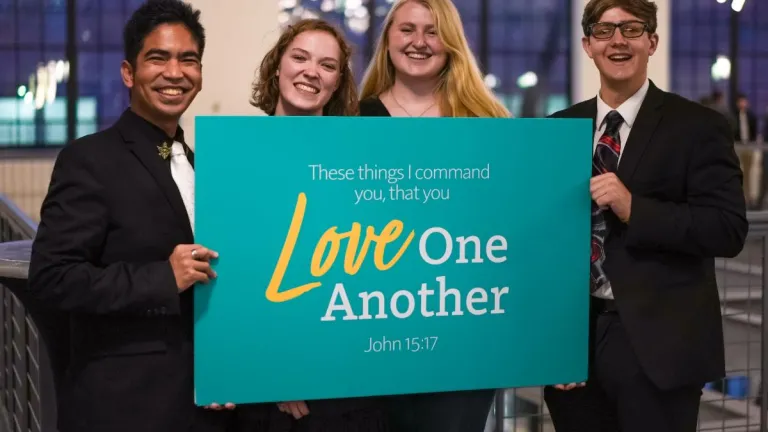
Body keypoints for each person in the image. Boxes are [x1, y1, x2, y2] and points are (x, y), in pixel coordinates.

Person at [27, 1, 236, 431]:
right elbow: (52, 279)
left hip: (201, 406)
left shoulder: (202, 165)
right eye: (157, 58)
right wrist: (162, 278)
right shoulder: (88, 159)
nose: (175, 72)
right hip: (124, 407)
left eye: (188, 60)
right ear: (128, 72)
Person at [543, 0, 748, 431]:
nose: (617, 40)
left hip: (660, 349)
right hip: (573, 345)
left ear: (652, 42)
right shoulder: (558, 129)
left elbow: (727, 229)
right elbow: (542, 243)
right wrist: (551, 343)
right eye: (604, 31)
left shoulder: (698, 126)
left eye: (632, 29)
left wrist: (636, 209)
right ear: (587, 45)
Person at [358, 1, 508, 431]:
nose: (419, 42)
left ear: (452, 44)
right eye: (407, 29)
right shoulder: (353, 120)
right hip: (375, 328)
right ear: (387, 39)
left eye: (432, 31)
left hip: (464, 334)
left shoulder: (487, 123)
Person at [247, 18, 386, 432]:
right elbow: (237, 273)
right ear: (277, 65)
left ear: (338, 81)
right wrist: (277, 371)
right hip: (265, 384)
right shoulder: (237, 154)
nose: (311, 71)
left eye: (327, 65)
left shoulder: (360, 162)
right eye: (300, 57)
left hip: (348, 379)